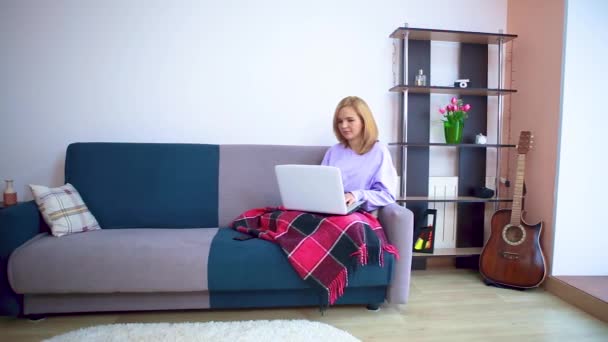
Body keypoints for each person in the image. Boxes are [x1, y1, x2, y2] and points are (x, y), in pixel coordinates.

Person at [321, 96, 398, 212]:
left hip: (358, 213)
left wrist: (356, 195)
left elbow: (388, 195)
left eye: (350, 120)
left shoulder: (379, 152)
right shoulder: (333, 151)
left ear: (364, 121)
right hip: (329, 210)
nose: (343, 126)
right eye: (340, 121)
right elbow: (320, 187)